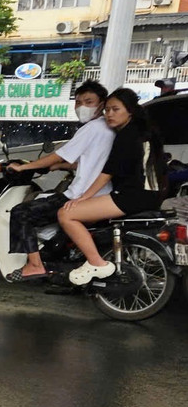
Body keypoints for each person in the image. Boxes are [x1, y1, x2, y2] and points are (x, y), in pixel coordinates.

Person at [3, 81, 113, 279]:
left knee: (21, 213)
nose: (82, 107)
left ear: (101, 104)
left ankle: (35, 265)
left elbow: (59, 154)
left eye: (89, 102)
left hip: (81, 195)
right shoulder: (108, 128)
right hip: (102, 195)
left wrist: (24, 167)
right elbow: (89, 162)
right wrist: (58, 167)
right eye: (78, 102)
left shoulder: (91, 128)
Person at [58, 88, 168, 284]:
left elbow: (108, 172)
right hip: (152, 195)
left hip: (132, 196)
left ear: (130, 110)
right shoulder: (144, 132)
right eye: (107, 110)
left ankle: (96, 262)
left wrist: (83, 197)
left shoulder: (127, 135)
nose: (109, 114)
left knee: (66, 214)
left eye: (115, 109)